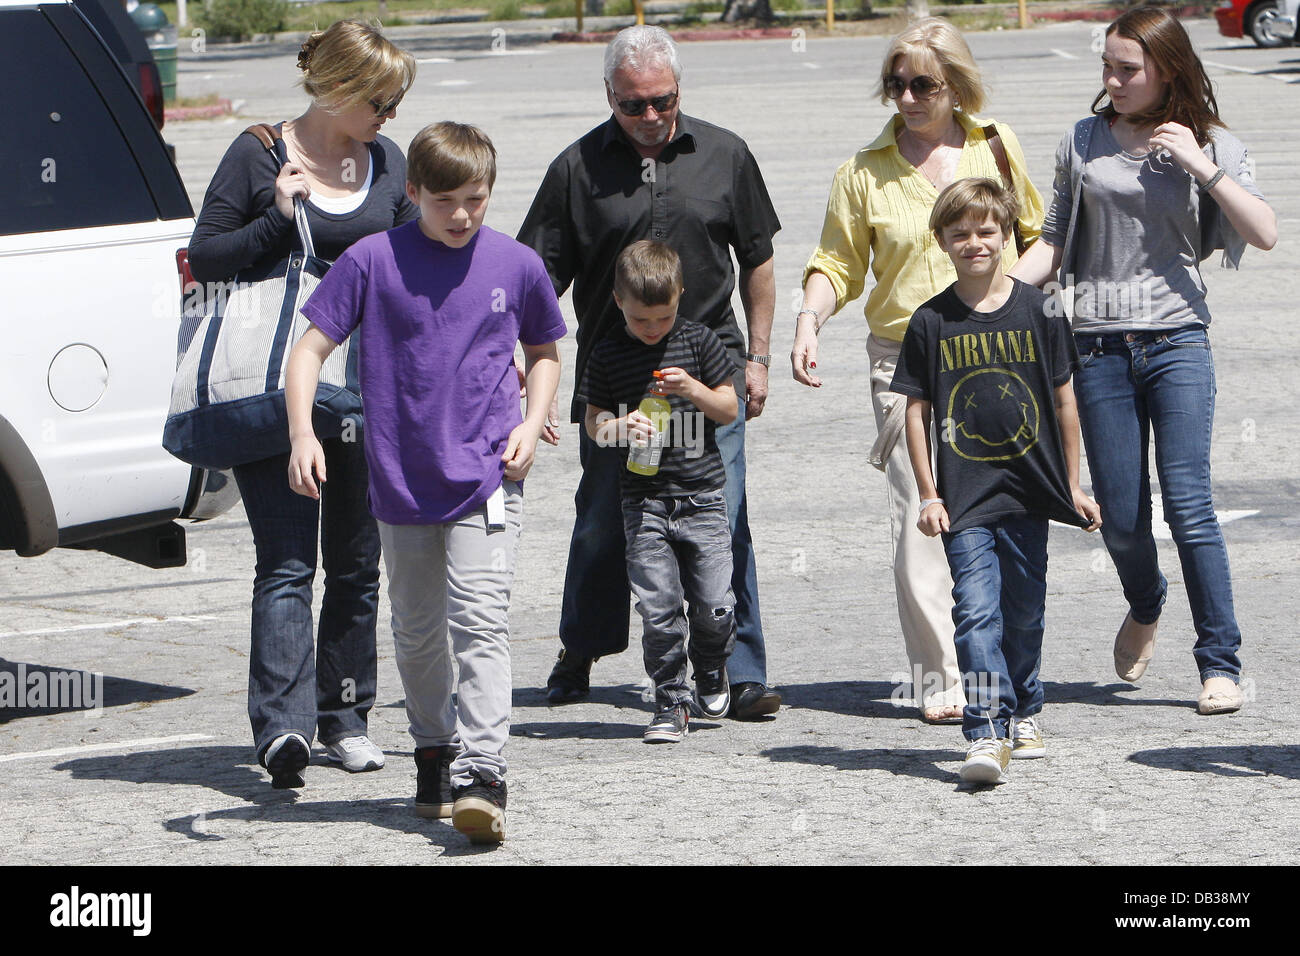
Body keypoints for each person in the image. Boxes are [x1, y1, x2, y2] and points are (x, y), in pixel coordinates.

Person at [286, 122, 565, 843]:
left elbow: (544, 351)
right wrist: (300, 433)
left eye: (476, 198)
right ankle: (435, 753)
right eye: (446, 201)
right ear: (412, 194)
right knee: (415, 633)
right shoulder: (373, 261)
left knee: (480, 623)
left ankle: (484, 774)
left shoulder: (517, 264)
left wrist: (532, 423)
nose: (463, 215)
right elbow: (309, 349)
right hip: (401, 481)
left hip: (488, 476)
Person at [1011, 6, 1276, 716]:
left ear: (1167, 69)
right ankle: (1146, 599)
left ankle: (1219, 661)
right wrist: (994, 296)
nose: (1112, 79)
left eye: (1127, 68)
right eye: (1107, 66)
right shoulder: (1083, 139)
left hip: (1176, 339)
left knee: (1190, 505)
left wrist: (1197, 162)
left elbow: (1265, 231)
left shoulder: (1214, 142)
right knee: (1121, 517)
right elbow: (1054, 239)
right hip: (1095, 346)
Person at [518, 25, 782, 719]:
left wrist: (756, 357)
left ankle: (736, 666)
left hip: (706, 374)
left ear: (678, 91)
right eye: (633, 105)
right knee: (607, 519)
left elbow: (756, 258)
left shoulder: (725, 154)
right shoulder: (576, 170)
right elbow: (536, 280)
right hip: (616, 383)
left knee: (721, 519)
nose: (649, 116)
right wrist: (528, 374)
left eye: (661, 101)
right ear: (610, 96)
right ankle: (581, 647)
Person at [793, 17, 1045, 725]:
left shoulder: (996, 147)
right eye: (895, 83)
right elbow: (837, 264)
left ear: (954, 85)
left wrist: (1010, 307)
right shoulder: (862, 172)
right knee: (919, 511)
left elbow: (1036, 235)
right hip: (905, 359)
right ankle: (942, 675)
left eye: (922, 84)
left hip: (997, 356)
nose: (906, 95)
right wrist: (808, 320)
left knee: (1002, 511)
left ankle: (1003, 663)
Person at [186, 20, 417, 788]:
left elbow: (419, 264)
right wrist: (277, 220)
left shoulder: (387, 163)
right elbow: (205, 256)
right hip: (276, 387)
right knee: (286, 564)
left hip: (365, 392)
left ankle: (345, 717)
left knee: (357, 564)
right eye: (381, 99)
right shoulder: (258, 152)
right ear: (342, 88)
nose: (390, 114)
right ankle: (282, 731)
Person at [892, 178, 1101, 784]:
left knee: (1024, 612)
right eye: (960, 232)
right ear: (941, 241)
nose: (974, 242)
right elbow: (915, 411)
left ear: (1006, 234)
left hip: (1030, 492)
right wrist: (928, 494)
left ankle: (1027, 707)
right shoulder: (930, 321)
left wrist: (1074, 485)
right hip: (963, 499)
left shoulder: (1040, 311)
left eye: (986, 230)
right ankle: (984, 731)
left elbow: (1065, 402)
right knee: (975, 612)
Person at [580, 241, 738, 743]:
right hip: (643, 502)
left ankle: (712, 663)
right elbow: (593, 425)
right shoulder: (608, 353)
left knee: (715, 604)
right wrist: (620, 426)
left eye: (664, 317)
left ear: (680, 297)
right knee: (658, 608)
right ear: (619, 300)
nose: (653, 329)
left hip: (703, 496)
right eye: (642, 319)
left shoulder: (698, 342)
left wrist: (694, 389)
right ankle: (671, 699)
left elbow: (729, 410)